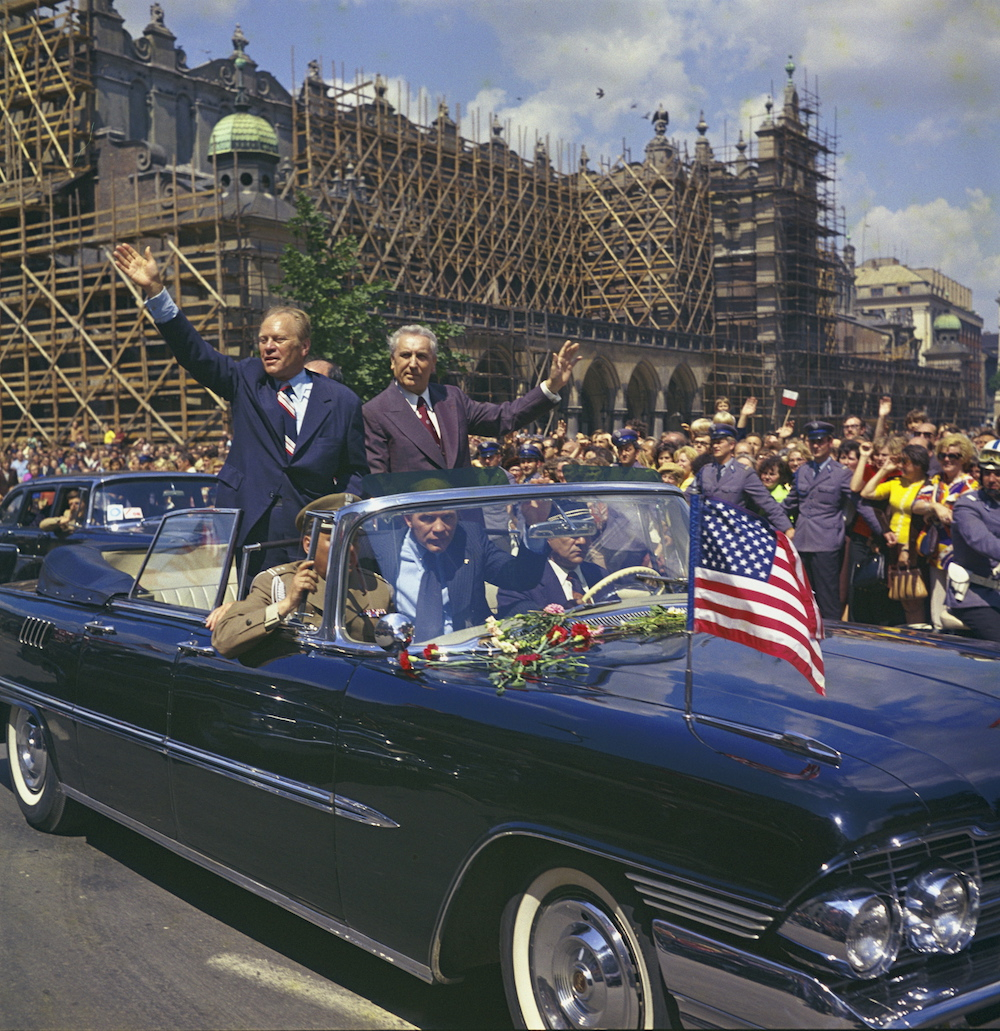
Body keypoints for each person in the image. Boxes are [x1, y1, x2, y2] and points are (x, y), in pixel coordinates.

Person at [112, 243, 368, 573]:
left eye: (278, 340)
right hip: (251, 529)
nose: (268, 347)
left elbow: (355, 472)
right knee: (256, 614)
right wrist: (156, 291)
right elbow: (195, 353)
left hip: (310, 532)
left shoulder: (342, 401)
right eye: (263, 340)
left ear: (304, 347)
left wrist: (339, 520)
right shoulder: (246, 379)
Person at [363, 324, 579, 474]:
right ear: (392, 361)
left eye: (421, 356)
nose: (412, 363)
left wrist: (552, 385)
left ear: (433, 363)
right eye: (405, 355)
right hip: (413, 527)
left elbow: (505, 417)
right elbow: (378, 481)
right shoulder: (375, 412)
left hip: (464, 524)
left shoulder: (451, 398)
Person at [210, 493, 391, 657]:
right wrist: (286, 604)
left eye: (354, 540)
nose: (349, 549)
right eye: (336, 541)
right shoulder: (277, 584)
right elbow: (224, 641)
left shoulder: (377, 588)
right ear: (307, 545)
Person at [373, 507, 545, 641]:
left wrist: (534, 526)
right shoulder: (381, 547)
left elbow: (521, 578)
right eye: (427, 519)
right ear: (408, 519)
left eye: (448, 517)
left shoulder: (471, 538)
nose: (439, 528)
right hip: (404, 658)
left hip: (467, 654)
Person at [783, 421, 878, 622]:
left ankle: (833, 642)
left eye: (820, 441)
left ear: (829, 443)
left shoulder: (840, 473)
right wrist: (780, 525)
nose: (816, 446)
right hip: (801, 541)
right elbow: (789, 504)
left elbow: (860, 505)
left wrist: (881, 531)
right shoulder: (802, 471)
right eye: (812, 442)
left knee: (827, 600)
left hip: (826, 542)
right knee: (802, 597)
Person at [857, 441, 930, 625]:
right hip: (892, 547)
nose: (901, 466)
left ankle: (917, 639)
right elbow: (867, 492)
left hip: (913, 548)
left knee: (913, 597)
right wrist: (885, 470)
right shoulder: (896, 482)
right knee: (898, 595)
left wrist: (907, 549)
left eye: (905, 462)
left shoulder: (928, 485)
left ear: (918, 464)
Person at [912, 433, 979, 631]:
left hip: (959, 554)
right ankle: (938, 642)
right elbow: (916, 505)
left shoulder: (971, 485)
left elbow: (961, 517)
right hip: (935, 552)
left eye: (953, 456)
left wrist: (936, 510)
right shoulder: (936, 480)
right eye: (942, 456)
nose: (947, 460)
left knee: (955, 605)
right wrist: (935, 507)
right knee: (937, 604)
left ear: (964, 458)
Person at [496, 505, 612, 616]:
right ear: (548, 537)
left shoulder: (600, 575)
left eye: (586, 532)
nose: (581, 541)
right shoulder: (519, 585)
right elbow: (521, 629)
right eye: (570, 532)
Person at [689, 424, 791, 534]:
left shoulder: (744, 473)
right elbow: (688, 497)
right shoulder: (705, 471)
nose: (715, 446)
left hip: (733, 534)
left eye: (719, 442)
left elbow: (767, 503)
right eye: (713, 443)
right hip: (707, 533)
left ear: (732, 445)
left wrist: (787, 528)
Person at [946, 439, 1000, 642]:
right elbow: (981, 540)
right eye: (987, 473)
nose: (991, 479)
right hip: (975, 598)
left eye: (998, 473)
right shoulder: (967, 505)